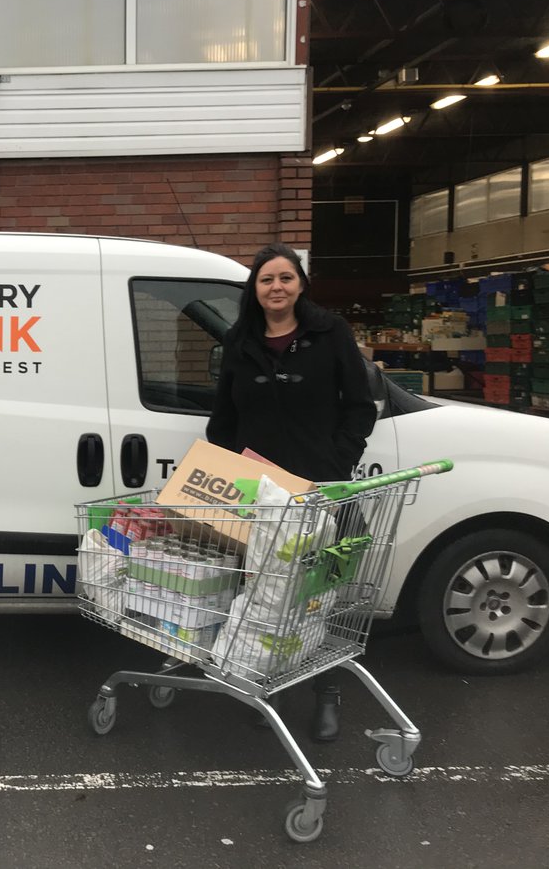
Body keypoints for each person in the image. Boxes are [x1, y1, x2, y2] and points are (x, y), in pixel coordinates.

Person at [206, 242, 377, 743]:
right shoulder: (240, 342)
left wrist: (333, 464)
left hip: (323, 490)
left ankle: (326, 693)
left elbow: (359, 406)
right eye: (266, 280)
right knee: (263, 593)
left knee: (319, 596)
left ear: (300, 284)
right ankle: (270, 687)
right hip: (263, 498)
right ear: (254, 290)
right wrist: (237, 467)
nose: (276, 287)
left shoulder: (330, 334)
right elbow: (224, 420)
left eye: (285, 278)